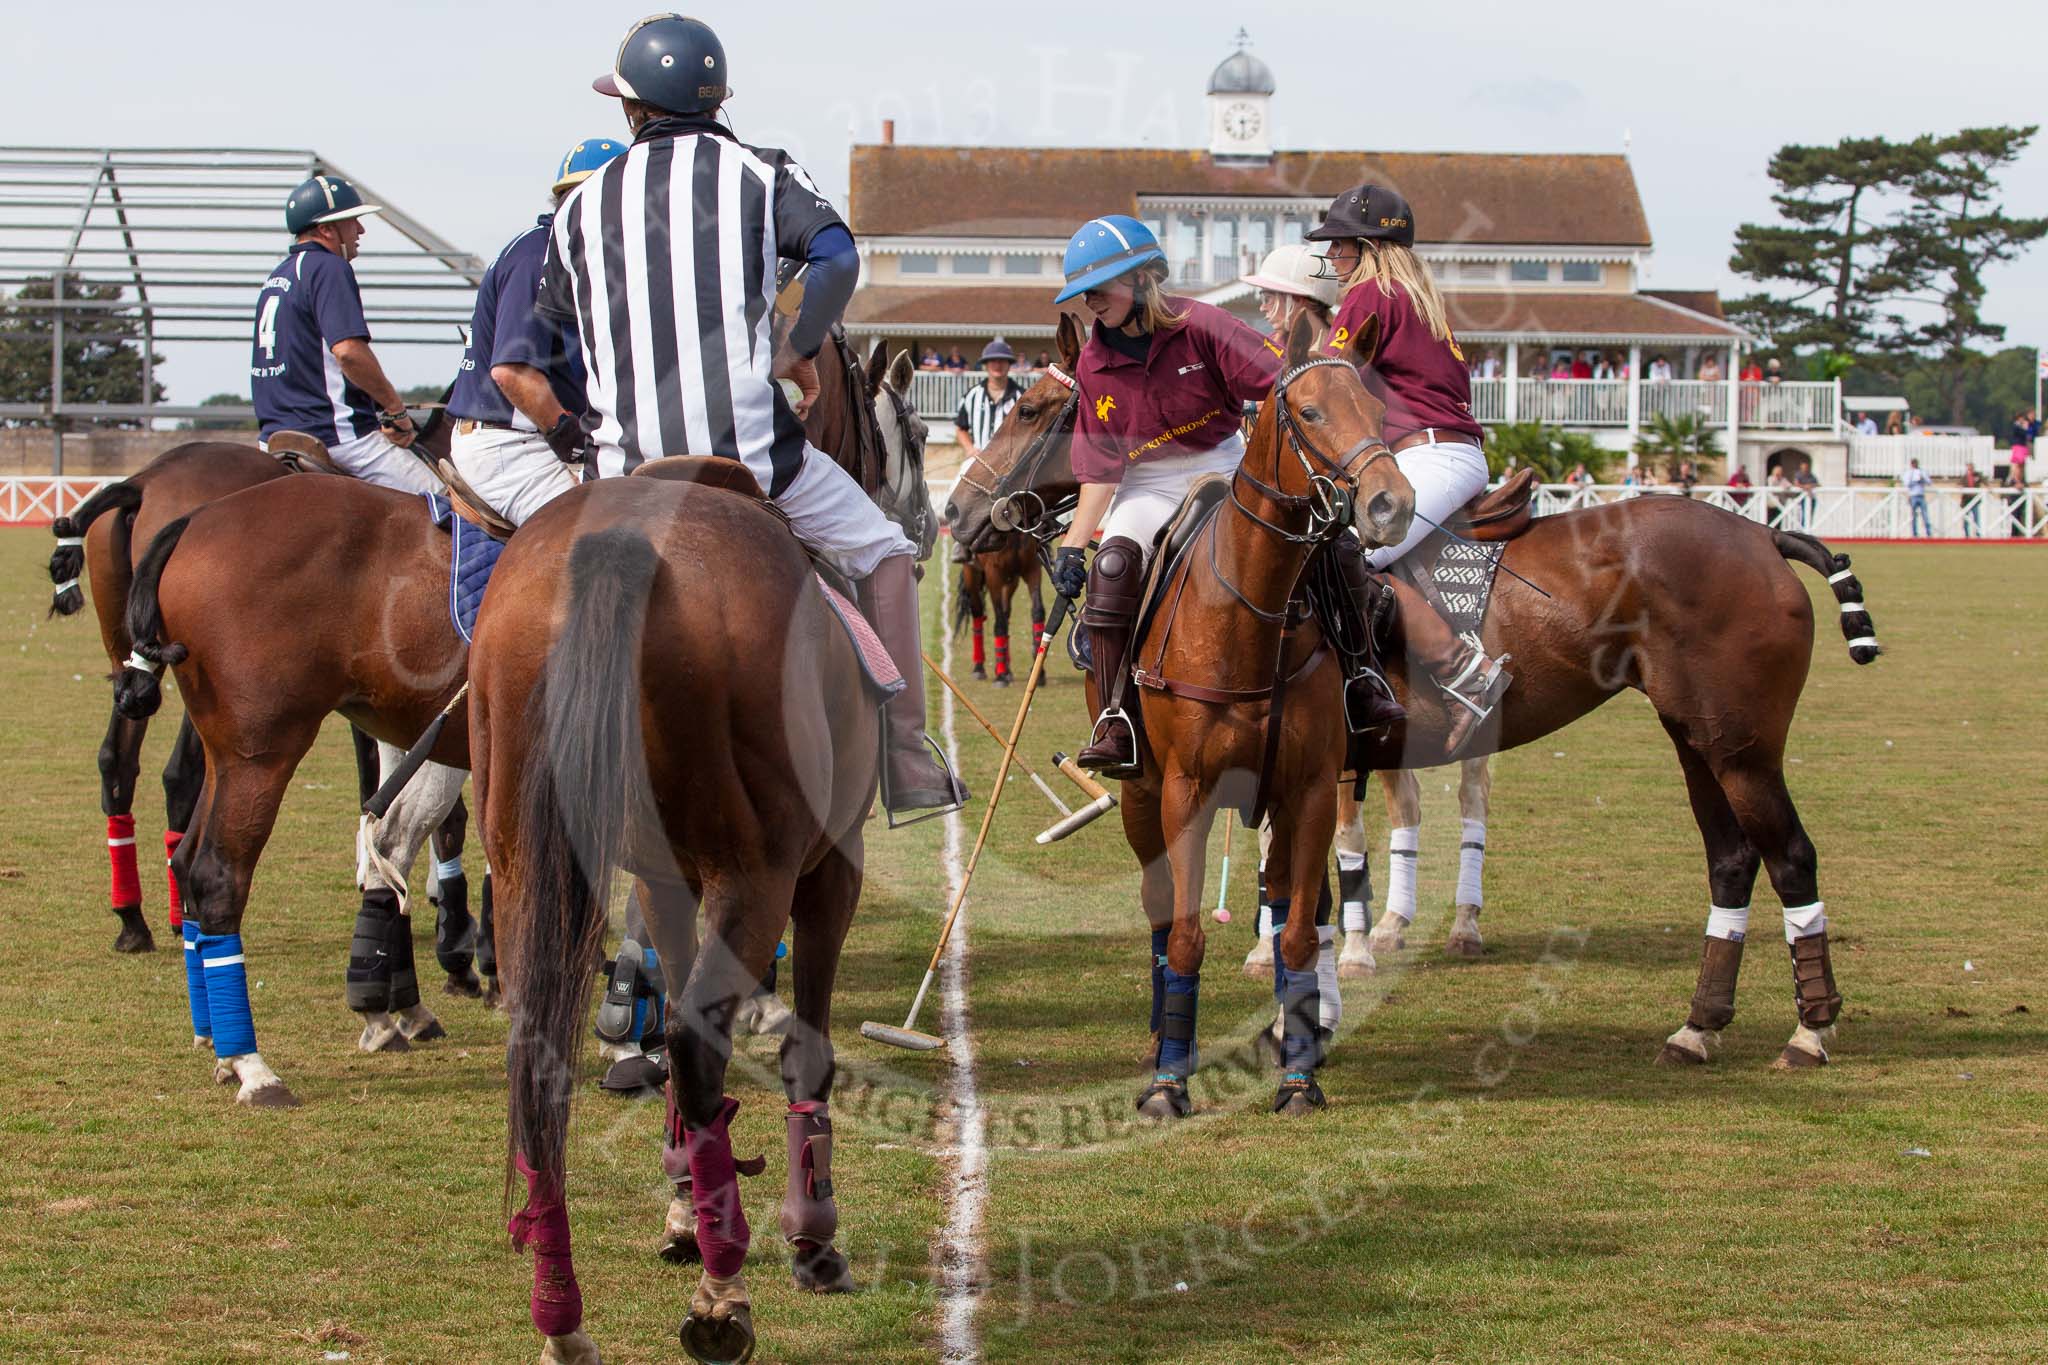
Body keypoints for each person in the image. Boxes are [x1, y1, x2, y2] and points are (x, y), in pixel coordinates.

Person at [536, 13, 965, 815]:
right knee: (884, 549)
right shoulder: (759, 173)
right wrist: (793, 347)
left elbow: (560, 317)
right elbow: (837, 255)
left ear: (631, 110)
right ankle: (905, 752)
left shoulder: (576, 209)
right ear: (716, 99)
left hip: (619, 473)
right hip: (752, 457)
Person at [1041, 214, 1291, 774]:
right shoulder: (1093, 360)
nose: (1090, 304)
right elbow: (1101, 469)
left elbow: (1283, 385)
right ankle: (1116, 720)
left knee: (1307, 548)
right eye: (1082, 294)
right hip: (1146, 482)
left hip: (1223, 467)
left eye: (1098, 290)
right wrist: (1073, 547)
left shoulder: (1204, 324)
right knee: (1111, 566)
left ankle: (1357, 682)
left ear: (1142, 277)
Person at [1305, 183, 1513, 752]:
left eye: (1341, 247)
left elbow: (1328, 380)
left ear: (1367, 248)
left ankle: (1462, 671)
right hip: (1438, 452)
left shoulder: (1370, 293)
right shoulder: (1413, 295)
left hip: (1430, 453)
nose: (1335, 260)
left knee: (1340, 552)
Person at [446, 138, 627, 528]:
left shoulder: (570, 255)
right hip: (510, 445)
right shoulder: (538, 256)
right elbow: (512, 372)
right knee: (610, 540)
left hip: (529, 438)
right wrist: (571, 437)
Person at [249, 176, 439, 493]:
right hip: (335, 437)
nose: (360, 231)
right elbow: (349, 352)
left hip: (273, 439)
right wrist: (396, 410)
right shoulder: (328, 267)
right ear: (326, 229)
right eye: (352, 222)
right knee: (451, 506)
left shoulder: (278, 276)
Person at [1240, 241, 1338, 340]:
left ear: (1298, 299)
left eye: (1267, 298)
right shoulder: (1271, 347)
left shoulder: (1340, 352)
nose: (1262, 308)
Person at [954, 337, 1024, 461]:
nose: (998, 365)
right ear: (985, 365)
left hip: (1011, 465)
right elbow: (961, 429)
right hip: (978, 461)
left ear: (1009, 364)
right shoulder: (972, 395)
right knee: (956, 481)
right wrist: (970, 448)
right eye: (993, 361)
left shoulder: (1022, 398)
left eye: (1002, 361)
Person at [1902, 457, 1931, 537]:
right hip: (1913, 496)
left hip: (1921, 496)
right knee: (1913, 516)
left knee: (1925, 515)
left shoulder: (1922, 472)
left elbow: (1929, 482)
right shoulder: (1908, 473)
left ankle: (1929, 534)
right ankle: (1914, 534)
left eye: (1915, 463)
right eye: (1913, 463)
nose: (1914, 464)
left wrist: (1922, 479)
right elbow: (1906, 484)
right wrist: (1914, 481)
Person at [1961, 463, 1983, 537]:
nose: (1970, 470)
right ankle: (1967, 536)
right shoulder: (1964, 477)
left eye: (1971, 468)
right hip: (1966, 501)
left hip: (1975, 501)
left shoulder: (1977, 475)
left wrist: (1988, 487)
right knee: (1966, 520)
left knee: (1976, 519)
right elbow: (1959, 484)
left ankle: (1978, 534)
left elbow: (1984, 480)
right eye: (1969, 468)